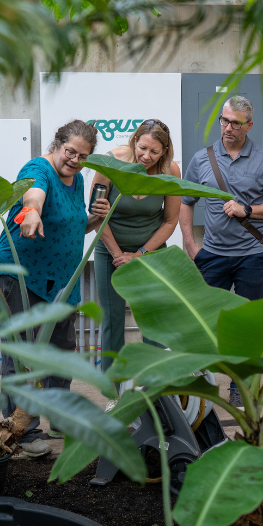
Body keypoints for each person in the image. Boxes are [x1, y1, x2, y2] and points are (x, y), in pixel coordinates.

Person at [0, 119, 110, 457]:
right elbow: (35, 193)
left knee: (61, 348)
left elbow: (71, 229)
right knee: (21, 349)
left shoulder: (78, 179)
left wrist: (95, 219)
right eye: (70, 151)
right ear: (56, 145)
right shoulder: (39, 167)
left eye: (83, 156)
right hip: (22, 275)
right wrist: (31, 212)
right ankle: (21, 430)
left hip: (61, 281)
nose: (74, 159)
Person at [179, 96, 263, 407]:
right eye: (224, 120)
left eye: (235, 123)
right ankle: (198, 383)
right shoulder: (202, 159)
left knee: (247, 325)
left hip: (253, 256)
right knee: (204, 321)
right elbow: (186, 202)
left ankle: (240, 385)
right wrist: (190, 244)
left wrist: (248, 210)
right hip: (212, 255)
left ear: (249, 126)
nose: (228, 127)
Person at [91, 119, 181, 380]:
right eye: (142, 148)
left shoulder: (170, 171)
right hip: (110, 251)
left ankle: (154, 388)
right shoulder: (109, 164)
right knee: (112, 319)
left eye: (154, 152)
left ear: (164, 151)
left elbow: (170, 221)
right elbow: (96, 215)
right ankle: (113, 390)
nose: (146, 156)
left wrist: (139, 253)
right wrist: (119, 255)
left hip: (150, 251)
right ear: (134, 141)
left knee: (153, 316)